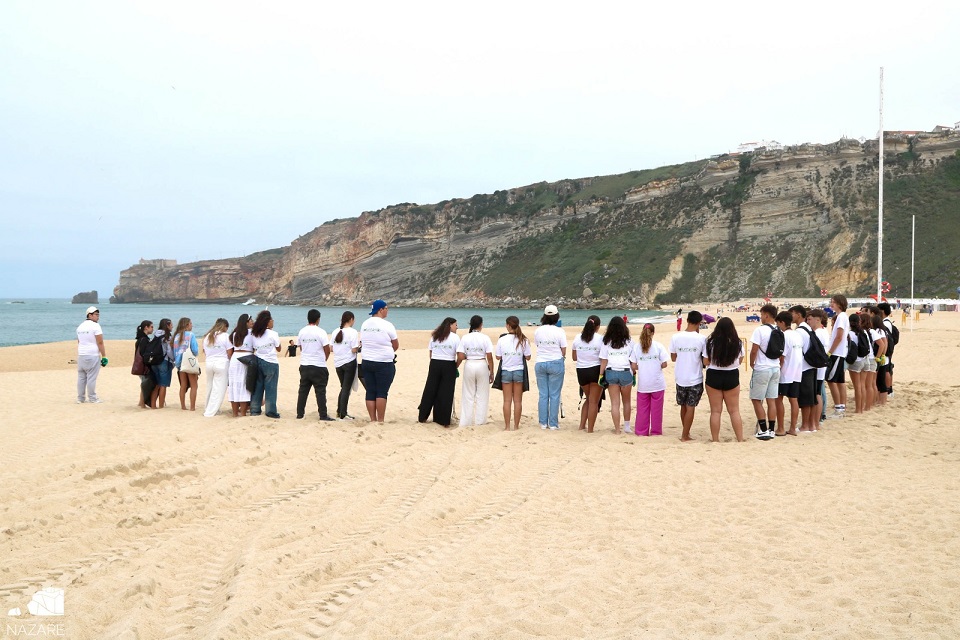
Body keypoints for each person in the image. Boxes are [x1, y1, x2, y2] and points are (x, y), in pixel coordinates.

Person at [702, 317, 745, 442]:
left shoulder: (710, 342)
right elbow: (740, 360)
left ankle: (715, 439)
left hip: (714, 375)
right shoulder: (738, 342)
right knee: (734, 410)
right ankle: (740, 439)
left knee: (715, 411)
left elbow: (706, 361)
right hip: (731, 375)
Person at [359, 299, 399, 423]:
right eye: (386, 308)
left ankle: (373, 419)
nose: (387, 311)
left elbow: (364, 341)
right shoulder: (387, 325)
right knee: (382, 392)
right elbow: (395, 344)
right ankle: (380, 420)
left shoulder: (365, 324)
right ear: (381, 310)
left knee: (370, 391)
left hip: (367, 360)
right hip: (384, 362)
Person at [669, 310, 707, 442]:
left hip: (680, 376)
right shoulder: (702, 339)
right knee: (691, 407)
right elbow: (705, 360)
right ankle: (685, 435)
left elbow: (673, 357)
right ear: (698, 323)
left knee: (683, 406)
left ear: (687, 320)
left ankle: (686, 432)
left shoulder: (676, 337)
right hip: (694, 377)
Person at [418, 317, 460, 427]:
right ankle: (443, 420)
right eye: (456, 325)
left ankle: (422, 416)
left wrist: (433, 363)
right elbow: (459, 354)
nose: (457, 327)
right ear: (450, 325)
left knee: (430, 389)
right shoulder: (455, 337)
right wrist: (456, 365)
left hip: (435, 363)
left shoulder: (435, 335)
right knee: (446, 392)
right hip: (448, 363)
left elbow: (431, 352)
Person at [748, 304, 780, 440]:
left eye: (761, 315)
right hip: (775, 367)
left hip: (762, 367)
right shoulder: (779, 330)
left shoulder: (760, 330)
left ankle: (763, 429)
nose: (760, 317)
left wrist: (751, 363)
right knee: (771, 400)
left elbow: (754, 349)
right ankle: (772, 429)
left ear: (766, 315)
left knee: (756, 399)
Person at [296, 309, 334, 421]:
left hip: (305, 364)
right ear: (318, 319)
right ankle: (323, 414)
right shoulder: (321, 332)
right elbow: (327, 349)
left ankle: (300, 413)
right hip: (318, 365)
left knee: (303, 391)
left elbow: (301, 347)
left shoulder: (301, 331)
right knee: (320, 391)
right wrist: (324, 359)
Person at [630, 323, 668, 436]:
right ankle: (656, 431)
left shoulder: (636, 347)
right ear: (653, 333)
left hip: (643, 384)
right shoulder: (658, 346)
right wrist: (657, 365)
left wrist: (642, 366)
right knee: (657, 410)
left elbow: (633, 365)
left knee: (642, 410)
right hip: (657, 383)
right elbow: (665, 363)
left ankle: (641, 431)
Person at [533, 305, 566, 430]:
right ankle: (553, 423)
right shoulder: (560, 331)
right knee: (554, 394)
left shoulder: (538, 330)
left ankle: (543, 422)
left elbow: (537, 345)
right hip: (555, 361)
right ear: (556, 317)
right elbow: (563, 350)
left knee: (543, 394)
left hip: (541, 362)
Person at [495, 316, 531, 431]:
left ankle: (507, 427)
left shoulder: (502, 339)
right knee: (517, 400)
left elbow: (498, 356)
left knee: (506, 400)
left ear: (508, 325)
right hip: (519, 370)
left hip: (506, 370)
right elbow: (528, 357)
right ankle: (516, 426)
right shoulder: (523, 340)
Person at [457, 315, 494, 427]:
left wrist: (461, 361)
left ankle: (465, 422)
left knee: (468, 394)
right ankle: (480, 421)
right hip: (481, 364)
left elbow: (460, 355)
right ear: (481, 325)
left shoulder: (465, 337)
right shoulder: (485, 338)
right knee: (482, 395)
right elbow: (489, 356)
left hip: (469, 364)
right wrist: (491, 371)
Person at [599, 316, 633, 434]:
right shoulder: (629, 341)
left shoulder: (606, 342)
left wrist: (600, 375)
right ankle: (627, 427)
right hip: (625, 372)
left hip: (611, 372)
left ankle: (617, 429)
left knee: (615, 403)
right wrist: (633, 373)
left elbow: (604, 361)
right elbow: (632, 360)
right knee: (627, 402)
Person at [571, 315, 603, 432]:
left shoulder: (577, 337)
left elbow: (574, 357)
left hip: (581, 371)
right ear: (598, 327)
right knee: (594, 401)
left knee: (588, 399)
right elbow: (603, 357)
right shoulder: (600, 339)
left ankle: (581, 425)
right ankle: (590, 429)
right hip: (595, 370)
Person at [250, 310, 282, 418]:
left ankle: (255, 409)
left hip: (259, 360)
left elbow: (254, 348)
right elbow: (279, 348)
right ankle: (270, 411)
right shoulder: (273, 334)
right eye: (271, 320)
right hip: (271, 362)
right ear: (268, 322)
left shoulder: (254, 334)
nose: (273, 321)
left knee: (258, 387)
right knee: (271, 387)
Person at [774, 311, 802, 436]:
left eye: (778, 323)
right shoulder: (797, 335)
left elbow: (782, 356)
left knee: (778, 399)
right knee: (793, 400)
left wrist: (778, 368)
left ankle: (780, 428)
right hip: (797, 372)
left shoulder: (785, 336)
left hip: (786, 372)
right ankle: (792, 428)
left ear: (782, 322)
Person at [330, 311, 359, 420]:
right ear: (351, 319)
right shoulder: (353, 332)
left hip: (338, 363)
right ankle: (343, 413)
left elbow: (331, 348)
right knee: (346, 388)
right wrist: (359, 347)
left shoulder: (335, 331)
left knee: (343, 387)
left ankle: (339, 411)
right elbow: (354, 349)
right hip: (349, 362)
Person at [793, 308, 819, 433]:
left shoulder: (799, 331)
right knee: (812, 398)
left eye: (792, 314)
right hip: (812, 365)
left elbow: (797, 350)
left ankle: (805, 426)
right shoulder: (808, 328)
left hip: (804, 367)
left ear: (798, 314)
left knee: (805, 399)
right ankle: (812, 425)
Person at [824, 294, 850, 418]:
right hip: (840, 353)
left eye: (833, 302)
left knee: (831, 379)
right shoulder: (842, 317)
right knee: (840, 381)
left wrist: (830, 352)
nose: (831, 304)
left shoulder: (841, 317)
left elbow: (839, 336)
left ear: (839, 303)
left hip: (837, 353)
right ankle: (842, 407)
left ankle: (839, 407)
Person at [202, 318, 231, 417]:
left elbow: (205, 351)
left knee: (210, 387)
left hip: (209, 363)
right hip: (221, 363)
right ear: (225, 327)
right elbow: (229, 352)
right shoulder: (226, 336)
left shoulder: (207, 337)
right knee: (219, 389)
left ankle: (207, 407)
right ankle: (211, 411)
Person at [76, 306, 106, 404]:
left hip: (81, 354)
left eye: (98, 315)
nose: (98, 317)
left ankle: (80, 398)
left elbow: (79, 341)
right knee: (91, 377)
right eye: (96, 315)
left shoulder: (80, 327)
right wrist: (104, 356)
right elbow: (100, 342)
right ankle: (92, 398)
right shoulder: (95, 326)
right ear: (90, 315)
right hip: (92, 354)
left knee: (81, 377)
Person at [228, 314, 254, 417]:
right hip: (246, 358)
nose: (252, 321)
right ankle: (242, 412)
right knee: (243, 385)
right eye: (250, 320)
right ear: (246, 322)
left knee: (234, 385)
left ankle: (235, 413)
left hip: (235, 358)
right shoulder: (251, 333)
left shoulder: (235, 334)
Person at [173, 317, 200, 411]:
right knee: (194, 385)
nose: (192, 325)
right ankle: (192, 407)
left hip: (179, 363)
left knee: (183, 385)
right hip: (189, 362)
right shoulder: (190, 335)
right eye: (191, 323)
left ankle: (183, 406)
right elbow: (195, 350)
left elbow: (174, 350)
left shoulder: (176, 336)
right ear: (187, 325)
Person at [847, 312, 869, 414]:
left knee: (857, 387)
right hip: (865, 359)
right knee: (862, 385)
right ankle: (863, 407)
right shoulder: (863, 332)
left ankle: (858, 409)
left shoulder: (850, 334)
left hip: (856, 361)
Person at [152, 318, 174, 408]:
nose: (172, 326)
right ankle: (161, 406)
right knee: (163, 384)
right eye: (171, 325)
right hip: (164, 361)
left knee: (156, 384)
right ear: (167, 325)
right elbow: (169, 351)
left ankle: (153, 405)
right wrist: (174, 359)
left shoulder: (156, 335)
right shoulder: (167, 336)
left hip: (154, 361)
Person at [135, 320, 156, 409]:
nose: (152, 328)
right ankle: (142, 403)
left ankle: (141, 402)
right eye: (151, 327)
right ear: (146, 328)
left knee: (144, 383)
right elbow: (144, 354)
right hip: (143, 366)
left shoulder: (140, 339)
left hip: (140, 365)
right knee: (145, 384)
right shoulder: (144, 340)